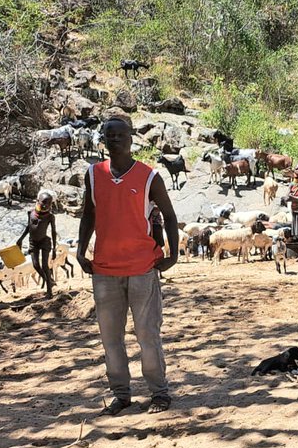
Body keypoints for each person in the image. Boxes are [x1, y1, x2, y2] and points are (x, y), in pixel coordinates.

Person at [77, 112, 179, 416]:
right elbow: (88, 214)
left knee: (148, 334)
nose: (114, 139)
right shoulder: (94, 174)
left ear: (131, 137)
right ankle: (121, 394)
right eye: (109, 135)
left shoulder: (149, 176)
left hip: (143, 269)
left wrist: (173, 254)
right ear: (103, 139)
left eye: (120, 134)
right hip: (105, 270)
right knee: (111, 338)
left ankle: (159, 393)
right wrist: (82, 251)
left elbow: (170, 216)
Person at [16, 191, 58, 298]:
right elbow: (28, 227)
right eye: (44, 202)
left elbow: (53, 232)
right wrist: (20, 239)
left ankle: (49, 291)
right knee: (35, 265)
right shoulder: (30, 213)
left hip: (44, 242)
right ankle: (50, 281)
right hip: (33, 242)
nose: (46, 205)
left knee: (45, 265)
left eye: (48, 203)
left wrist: (54, 249)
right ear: (37, 201)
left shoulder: (50, 216)